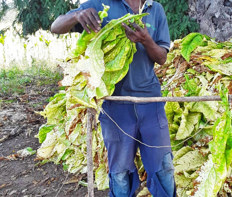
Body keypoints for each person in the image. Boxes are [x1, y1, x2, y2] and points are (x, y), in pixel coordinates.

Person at [50, 0, 176, 196]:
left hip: (150, 102)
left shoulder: (155, 9)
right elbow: (56, 26)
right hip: (115, 104)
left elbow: (161, 57)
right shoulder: (100, 4)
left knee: (164, 166)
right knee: (119, 171)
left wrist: (145, 40)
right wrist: (76, 16)